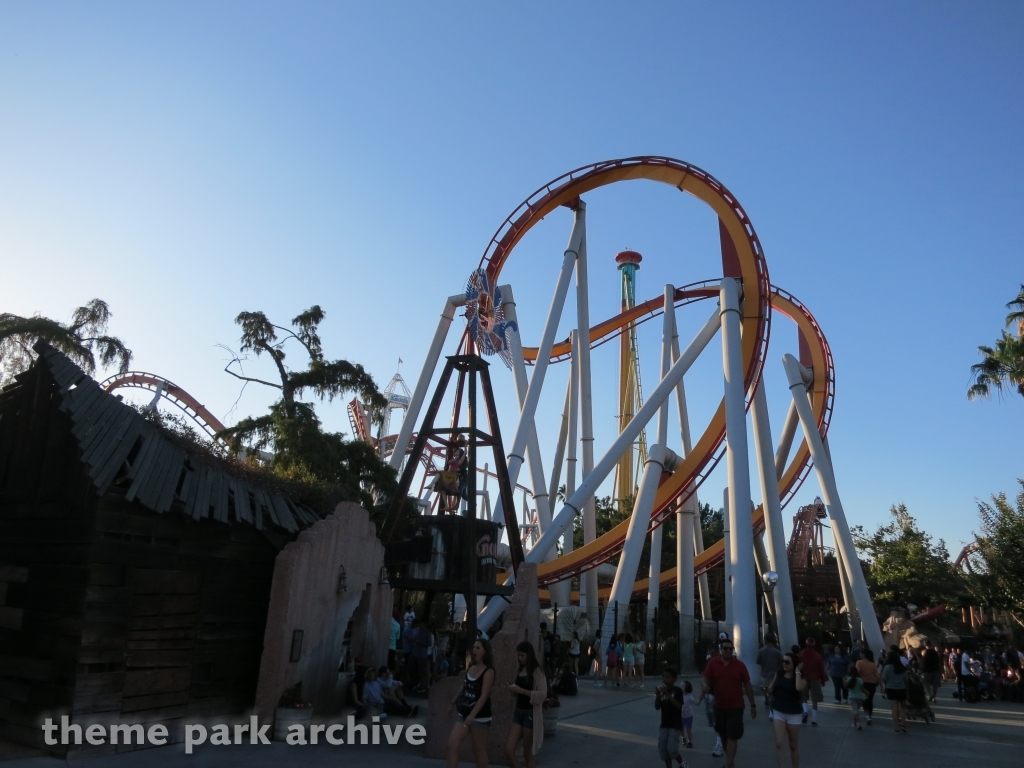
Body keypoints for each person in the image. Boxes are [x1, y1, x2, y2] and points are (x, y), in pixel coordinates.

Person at [702, 637, 756, 768]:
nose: (727, 651)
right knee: (723, 736)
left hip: (736, 707)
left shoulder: (740, 665)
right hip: (719, 706)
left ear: (733, 650)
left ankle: (728, 764)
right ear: (720, 650)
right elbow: (705, 676)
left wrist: (753, 705)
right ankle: (730, 762)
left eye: (730, 649)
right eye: (725, 648)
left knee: (733, 736)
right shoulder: (713, 663)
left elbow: (748, 685)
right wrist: (705, 685)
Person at [446, 639, 495, 768]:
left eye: (478, 648)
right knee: (452, 744)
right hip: (464, 712)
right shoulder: (471, 667)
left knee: (478, 749)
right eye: (473, 647)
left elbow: (484, 695)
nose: (474, 650)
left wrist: (473, 715)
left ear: (485, 651)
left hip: (480, 716)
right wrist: (452, 702)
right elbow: (464, 686)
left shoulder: (488, 672)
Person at [504, 640, 547, 768]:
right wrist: (513, 690)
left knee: (527, 753)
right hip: (518, 712)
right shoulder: (520, 670)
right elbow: (517, 692)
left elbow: (542, 695)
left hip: (530, 714)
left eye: (522, 655)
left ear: (529, 655)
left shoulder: (537, 672)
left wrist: (521, 691)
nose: (520, 658)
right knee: (508, 749)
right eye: (518, 655)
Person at [768, 652, 806, 768]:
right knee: (779, 744)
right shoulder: (778, 674)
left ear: (794, 664)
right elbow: (771, 689)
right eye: (783, 661)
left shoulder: (800, 678)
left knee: (793, 745)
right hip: (779, 711)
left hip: (794, 714)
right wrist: (767, 689)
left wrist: (797, 671)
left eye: (787, 662)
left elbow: (799, 688)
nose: (784, 664)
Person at [654, 667, 686, 768]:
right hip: (664, 724)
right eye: (663, 677)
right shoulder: (662, 691)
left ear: (674, 679)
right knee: (663, 749)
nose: (664, 679)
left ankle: (682, 763)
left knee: (672, 749)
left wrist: (667, 694)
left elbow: (679, 706)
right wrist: (658, 696)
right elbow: (657, 707)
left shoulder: (677, 691)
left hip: (675, 725)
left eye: (667, 677)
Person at [797, 637, 826, 725]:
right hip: (815, 679)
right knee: (815, 699)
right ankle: (814, 719)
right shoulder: (818, 656)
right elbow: (821, 669)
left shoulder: (801, 654)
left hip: (804, 678)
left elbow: (798, 667)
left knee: (803, 697)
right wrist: (823, 680)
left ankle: (805, 711)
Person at [880, 646, 908, 733]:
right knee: (903, 708)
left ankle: (896, 726)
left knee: (894, 709)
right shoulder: (902, 667)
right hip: (901, 688)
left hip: (891, 689)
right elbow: (905, 679)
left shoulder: (887, 667)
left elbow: (884, 679)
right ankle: (903, 724)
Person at [702, 644, 722, 756]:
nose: (712, 655)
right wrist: (703, 691)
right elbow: (704, 677)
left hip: (721, 695)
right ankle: (720, 739)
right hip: (710, 694)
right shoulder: (709, 661)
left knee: (719, 719)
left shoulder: (723, 661)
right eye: (710, 653)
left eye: (714, 653)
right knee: (713, 720)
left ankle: (720, 742)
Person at [756, 636, 784, 710]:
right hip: (775, 674)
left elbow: (757, 661)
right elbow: (782, 662)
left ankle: (767, 702)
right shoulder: (777, 651)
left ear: (766, 640)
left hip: (765, 673)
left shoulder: (761, 651)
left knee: (766, 689)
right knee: (774, 690)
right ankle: (773, 703)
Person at [855, 649, 879, 725]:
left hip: (863, 683)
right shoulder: (873, 664)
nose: (860, 655)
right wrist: (880, 684)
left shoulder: (859, 662)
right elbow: (877, 676)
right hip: (872, 684)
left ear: (864, 655)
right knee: (870, 700)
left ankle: (867, 715)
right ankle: (870, 715)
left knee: (864, 700)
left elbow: (857, 672)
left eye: (861, 653)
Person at [845, 663, 866, 729]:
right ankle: (855, 723)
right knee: (856, 710)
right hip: (860, 697)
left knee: (855, 711)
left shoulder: (849, 679)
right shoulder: (860, 680)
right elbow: (862, 689)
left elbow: (847, 687)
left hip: (852, 697)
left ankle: (859, 723)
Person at [681, 680, 700, 749]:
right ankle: (683, 737)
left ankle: (690, 741)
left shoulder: (689, 696)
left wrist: (700, 699)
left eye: (682, 686)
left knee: (688, 729)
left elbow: (696, 703)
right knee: (681, 728)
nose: (681, 687)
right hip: (681, 716)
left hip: (689, 715)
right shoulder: (679, 695)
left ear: (687, 688)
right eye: (681, 686)